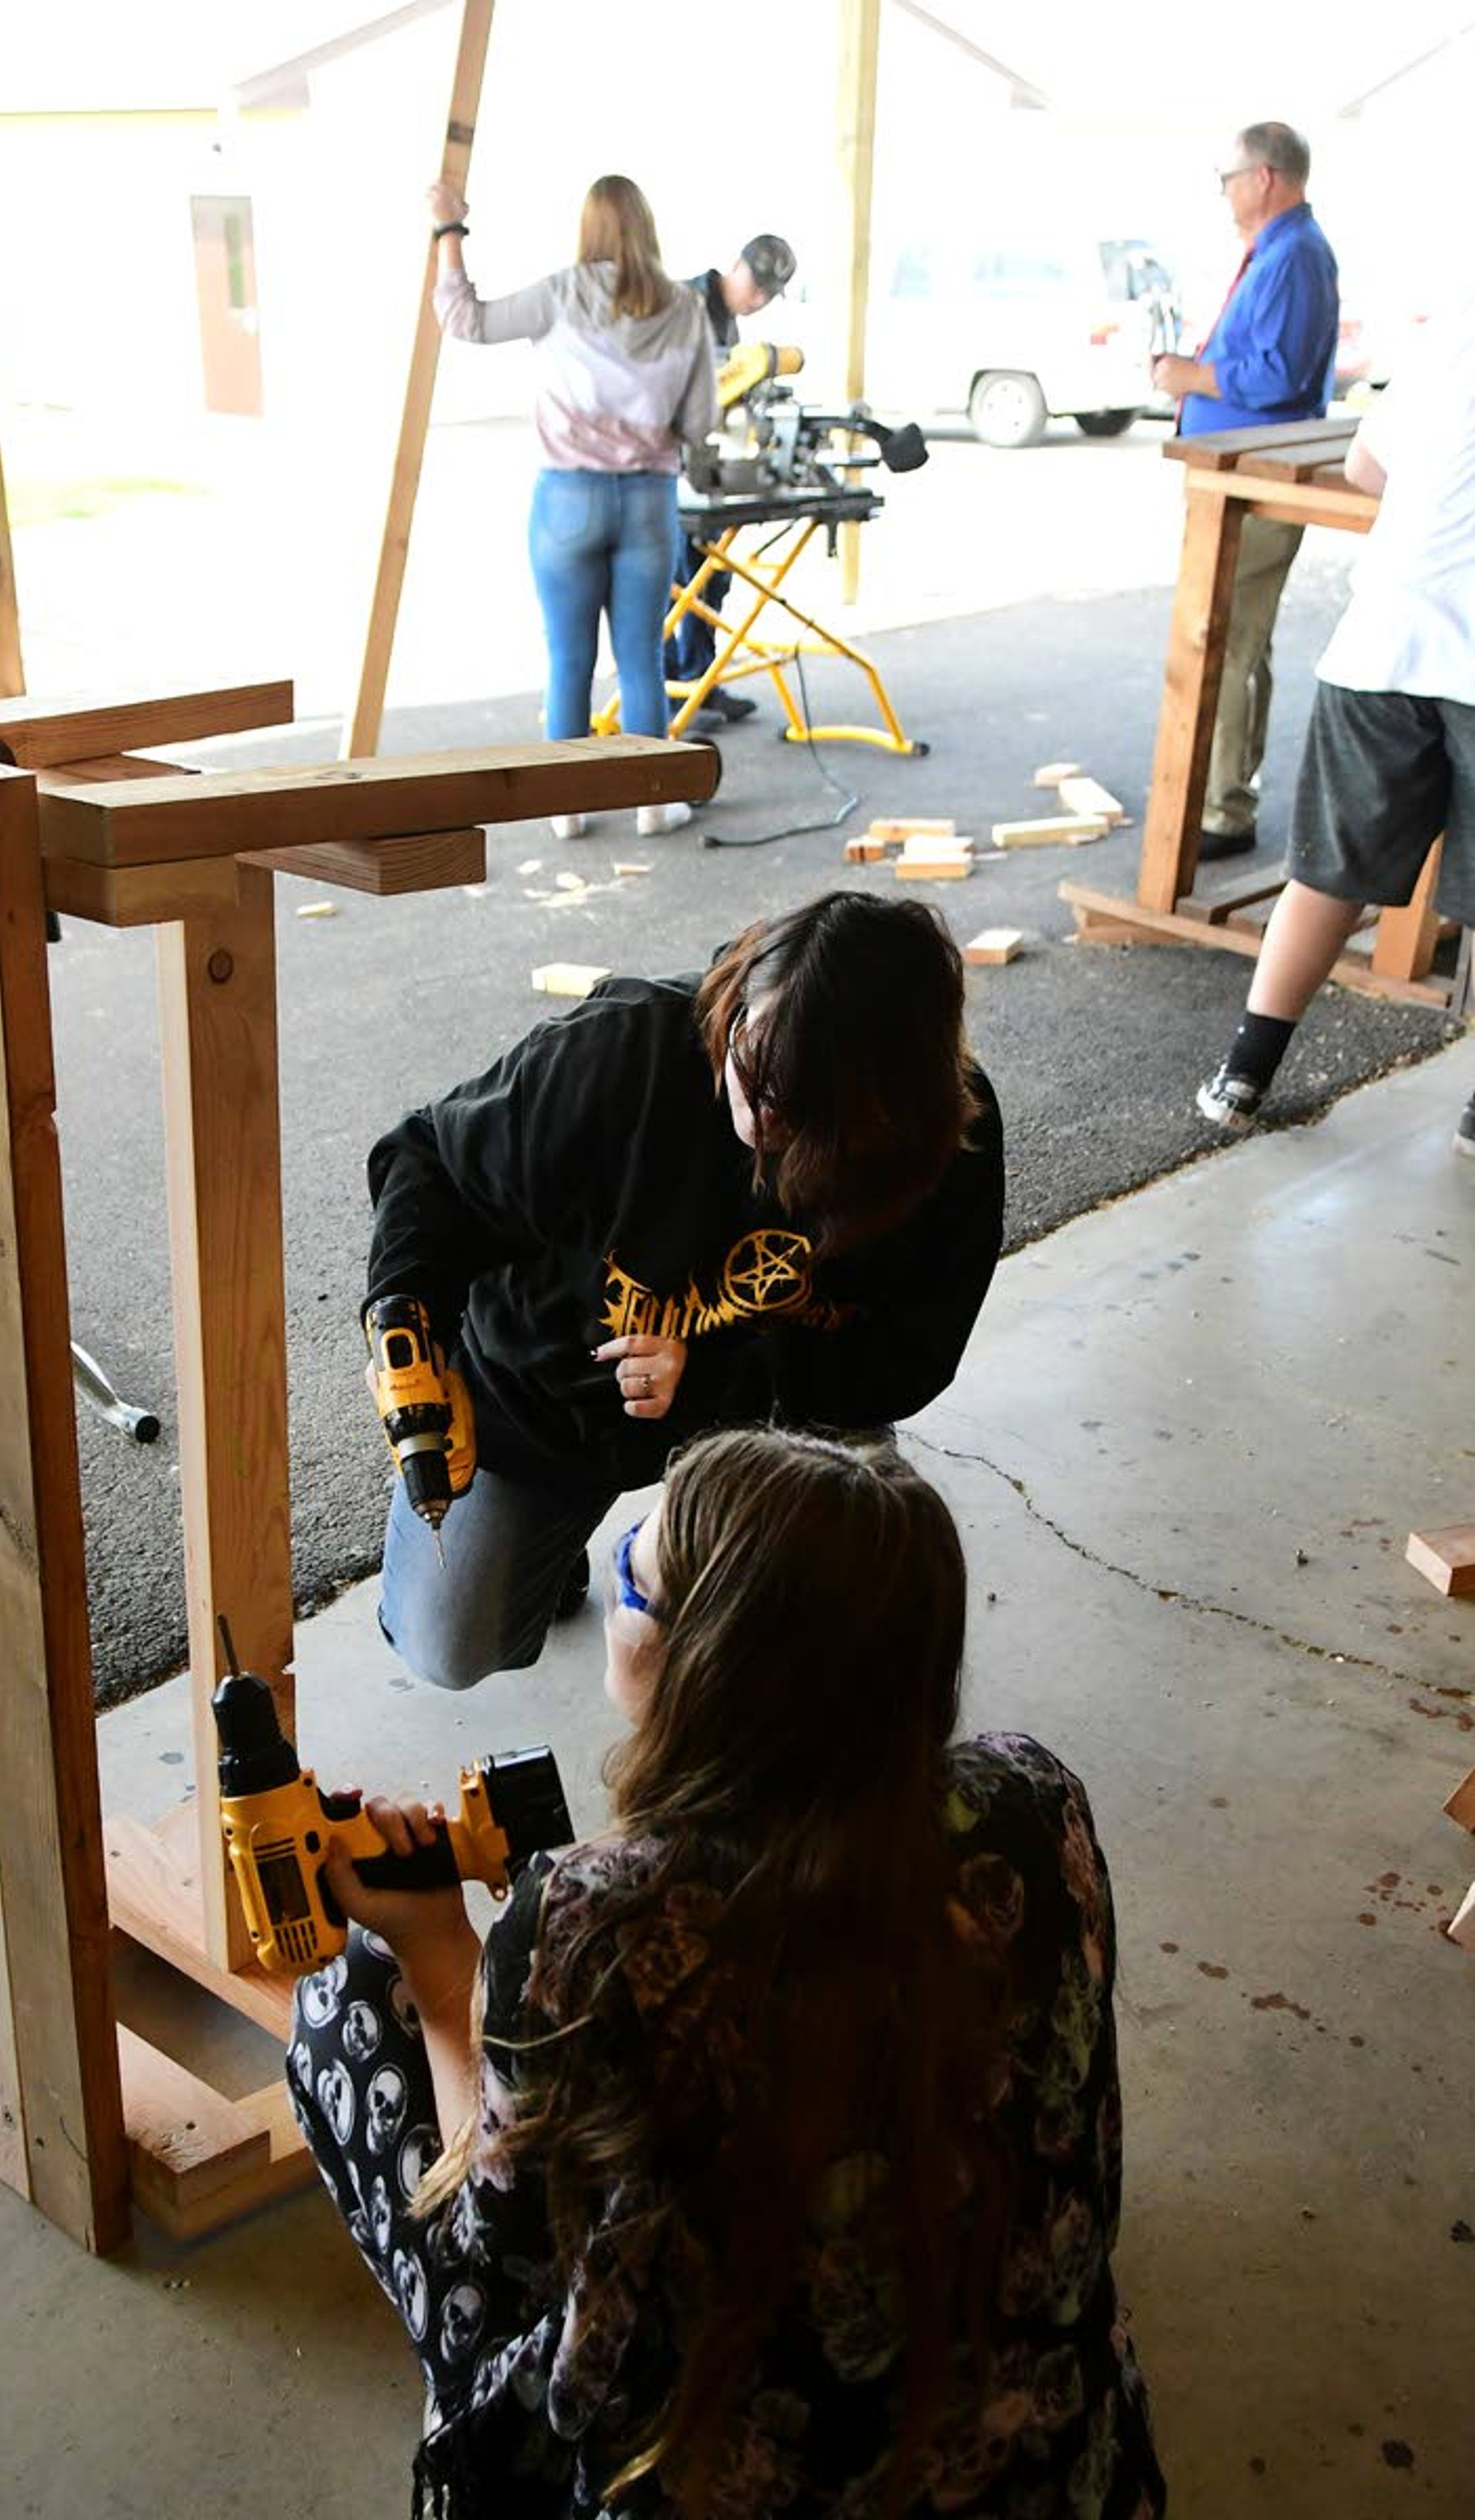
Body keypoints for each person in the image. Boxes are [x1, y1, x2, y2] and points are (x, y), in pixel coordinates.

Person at [286, 1425, 1168, 2518]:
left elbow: (502, 2260)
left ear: (708, 1663)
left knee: (346, 2009)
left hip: (730, 2485)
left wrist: (436, 1952)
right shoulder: (1037, 1800)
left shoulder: (590, 1916)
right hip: (1063, 2477)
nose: (613, 1576)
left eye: (634, 1579)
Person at [365, 890, 1005, 1693]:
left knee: (835, 1633)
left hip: (772, 1414)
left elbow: (913, 1357)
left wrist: (726, 1383)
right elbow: (429, 1161)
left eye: (799, 1105)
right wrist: (405, 1311)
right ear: (742, 996)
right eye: (752, 1061)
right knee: (449, 1648)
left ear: (880, 1116)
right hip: (552, 1389)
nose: (761, 1114)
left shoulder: (947, 1144)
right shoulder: (623, 1049)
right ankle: (551, 1546)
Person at [1197, 282, 1475, 1156]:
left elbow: (1365, 467)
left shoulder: (1452, 329)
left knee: (1328, 874)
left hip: (1384, 644)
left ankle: (1244, 1074)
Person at [428, 173, 716, 842]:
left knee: (569, 660)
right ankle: (654, 801)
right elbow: (702, 422)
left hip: (567, 500)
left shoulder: (560, 294)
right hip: (648, 500)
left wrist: (449, 231)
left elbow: (465, 319)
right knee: (642, 656)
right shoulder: (686, 310)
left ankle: (566, 808)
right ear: (646, 227)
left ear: (588, 228)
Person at [1150, 122, 1339, 862]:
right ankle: (1221, 792)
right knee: (1231, 639)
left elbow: (1278, 375)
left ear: (1264, 177)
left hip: (1258, 476)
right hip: (1238, 473)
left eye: (1228, 176)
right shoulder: (1281, 252)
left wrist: (1188, 378)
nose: (1224, 191)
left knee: (1228, 639)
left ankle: (1224, 805)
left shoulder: (1294, 255)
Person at [667, 233, 799, 723]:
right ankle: (674, 692)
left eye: (769, 294)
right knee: (677, 585)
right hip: (668, 465)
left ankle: (703, 679)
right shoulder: (684, 305)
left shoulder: (730, 326)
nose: (759, 300)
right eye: (756, 286)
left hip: (705, 465)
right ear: (735, 264)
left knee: (711, 578)